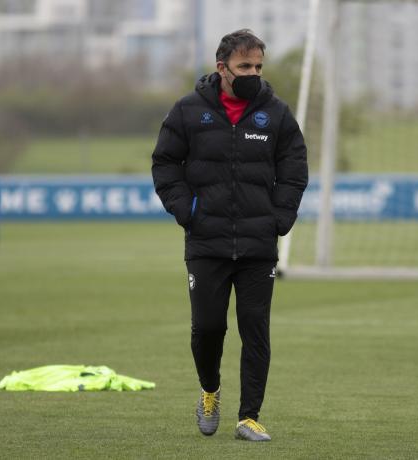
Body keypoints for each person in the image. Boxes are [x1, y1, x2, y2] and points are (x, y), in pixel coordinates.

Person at [151, 29, 308, 442]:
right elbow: (165, 164)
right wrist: (189, 210)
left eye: (258, 66)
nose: (253, 73)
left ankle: (249, 417)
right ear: (222, 69)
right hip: (206, 242)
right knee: (207, 328)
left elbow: (295, 166)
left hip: (259, 244)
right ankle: (209, 391)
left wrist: (280, 216)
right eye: (245, 67)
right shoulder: (187, 111)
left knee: (255, 328)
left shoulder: (276, 113)